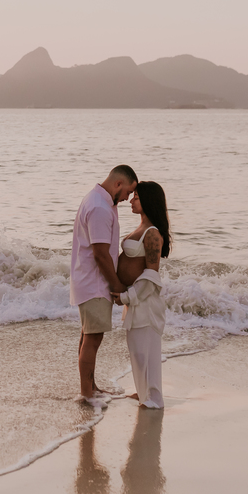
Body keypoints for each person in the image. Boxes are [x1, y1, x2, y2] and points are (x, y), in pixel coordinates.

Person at [70, 165, 138, 405]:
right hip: (94, 283)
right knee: (93, 338)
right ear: (118, 184)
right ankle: (86, 395)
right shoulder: (100, 207)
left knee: (88, 335)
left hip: (89, 281)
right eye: (129, 192)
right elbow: (100, 254)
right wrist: (117, 285)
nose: (128, 198)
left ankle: (90, 388)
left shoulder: (99, 200)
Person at [116, 181, 171, 409]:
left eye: (136, 196)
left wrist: (126, 297)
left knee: (146, 352)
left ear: (147, 200)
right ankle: (142, 391)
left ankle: (152, 399)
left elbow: (150, 277)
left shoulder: (152, 235)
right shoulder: (140, 229)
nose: (131, 200)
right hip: (135, 302)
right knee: (136, 351)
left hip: (144, 303)